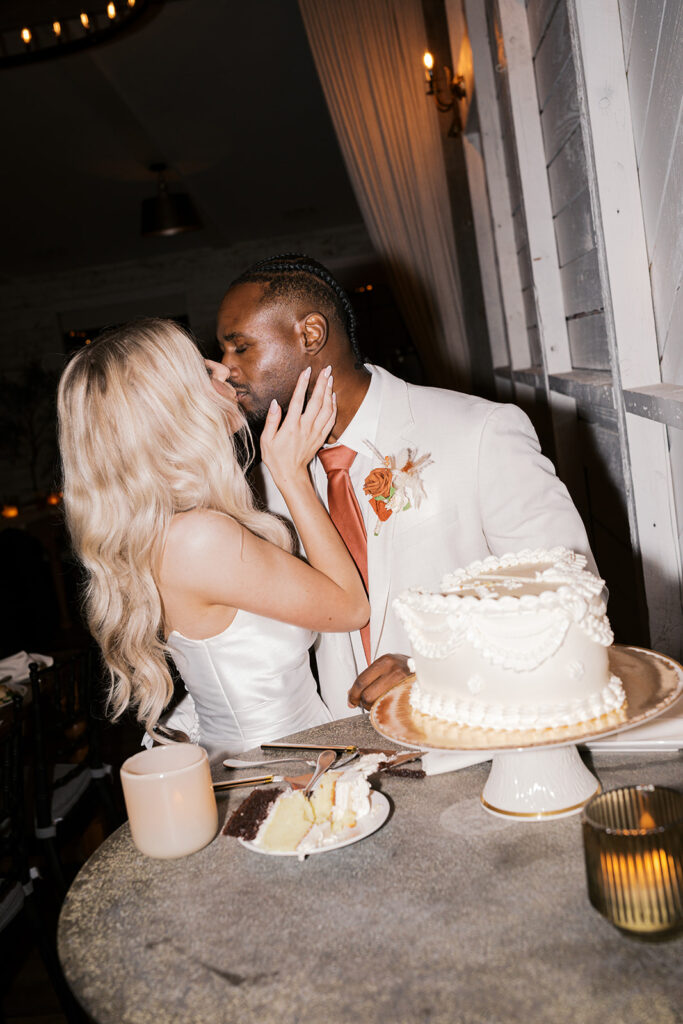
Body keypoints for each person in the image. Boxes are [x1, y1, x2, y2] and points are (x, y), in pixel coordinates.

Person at [215, 253, 598, 719]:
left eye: (240, 348)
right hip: (351, 761)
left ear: (310, 334)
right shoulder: (273, 482)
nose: (226, 368)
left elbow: (574, 596)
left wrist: (435, 669)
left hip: (476, 737)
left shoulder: (478, 431)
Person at [56, 318, 369, 753]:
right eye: (201, 370)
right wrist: (292, 475)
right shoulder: (197, 539)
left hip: (291, 752)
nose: (222, 370)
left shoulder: (176, 527)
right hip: (279, 771)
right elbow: (351, 608)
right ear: (170, 409)